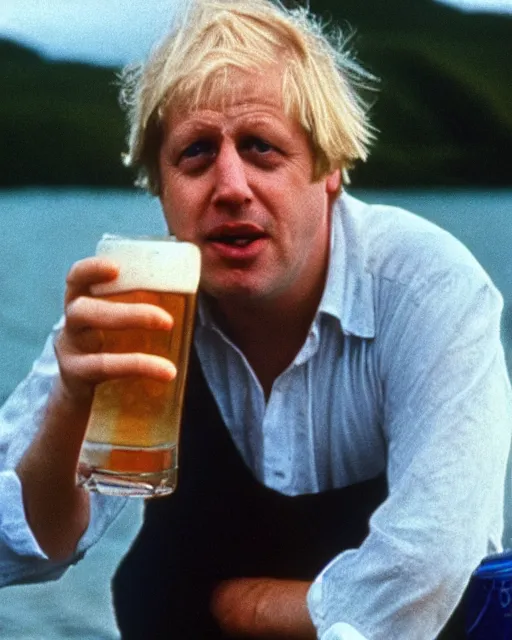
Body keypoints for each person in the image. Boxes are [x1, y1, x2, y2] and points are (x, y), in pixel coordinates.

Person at [0, 0, 511, 638]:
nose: (231, 185)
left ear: (329, 169)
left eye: (262, 148)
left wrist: (258, 610)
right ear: (160, 187)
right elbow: (20, 548)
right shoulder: (135, 303)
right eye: (195, 154)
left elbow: (431, 568)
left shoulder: (427, 288)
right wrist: (71, 406)